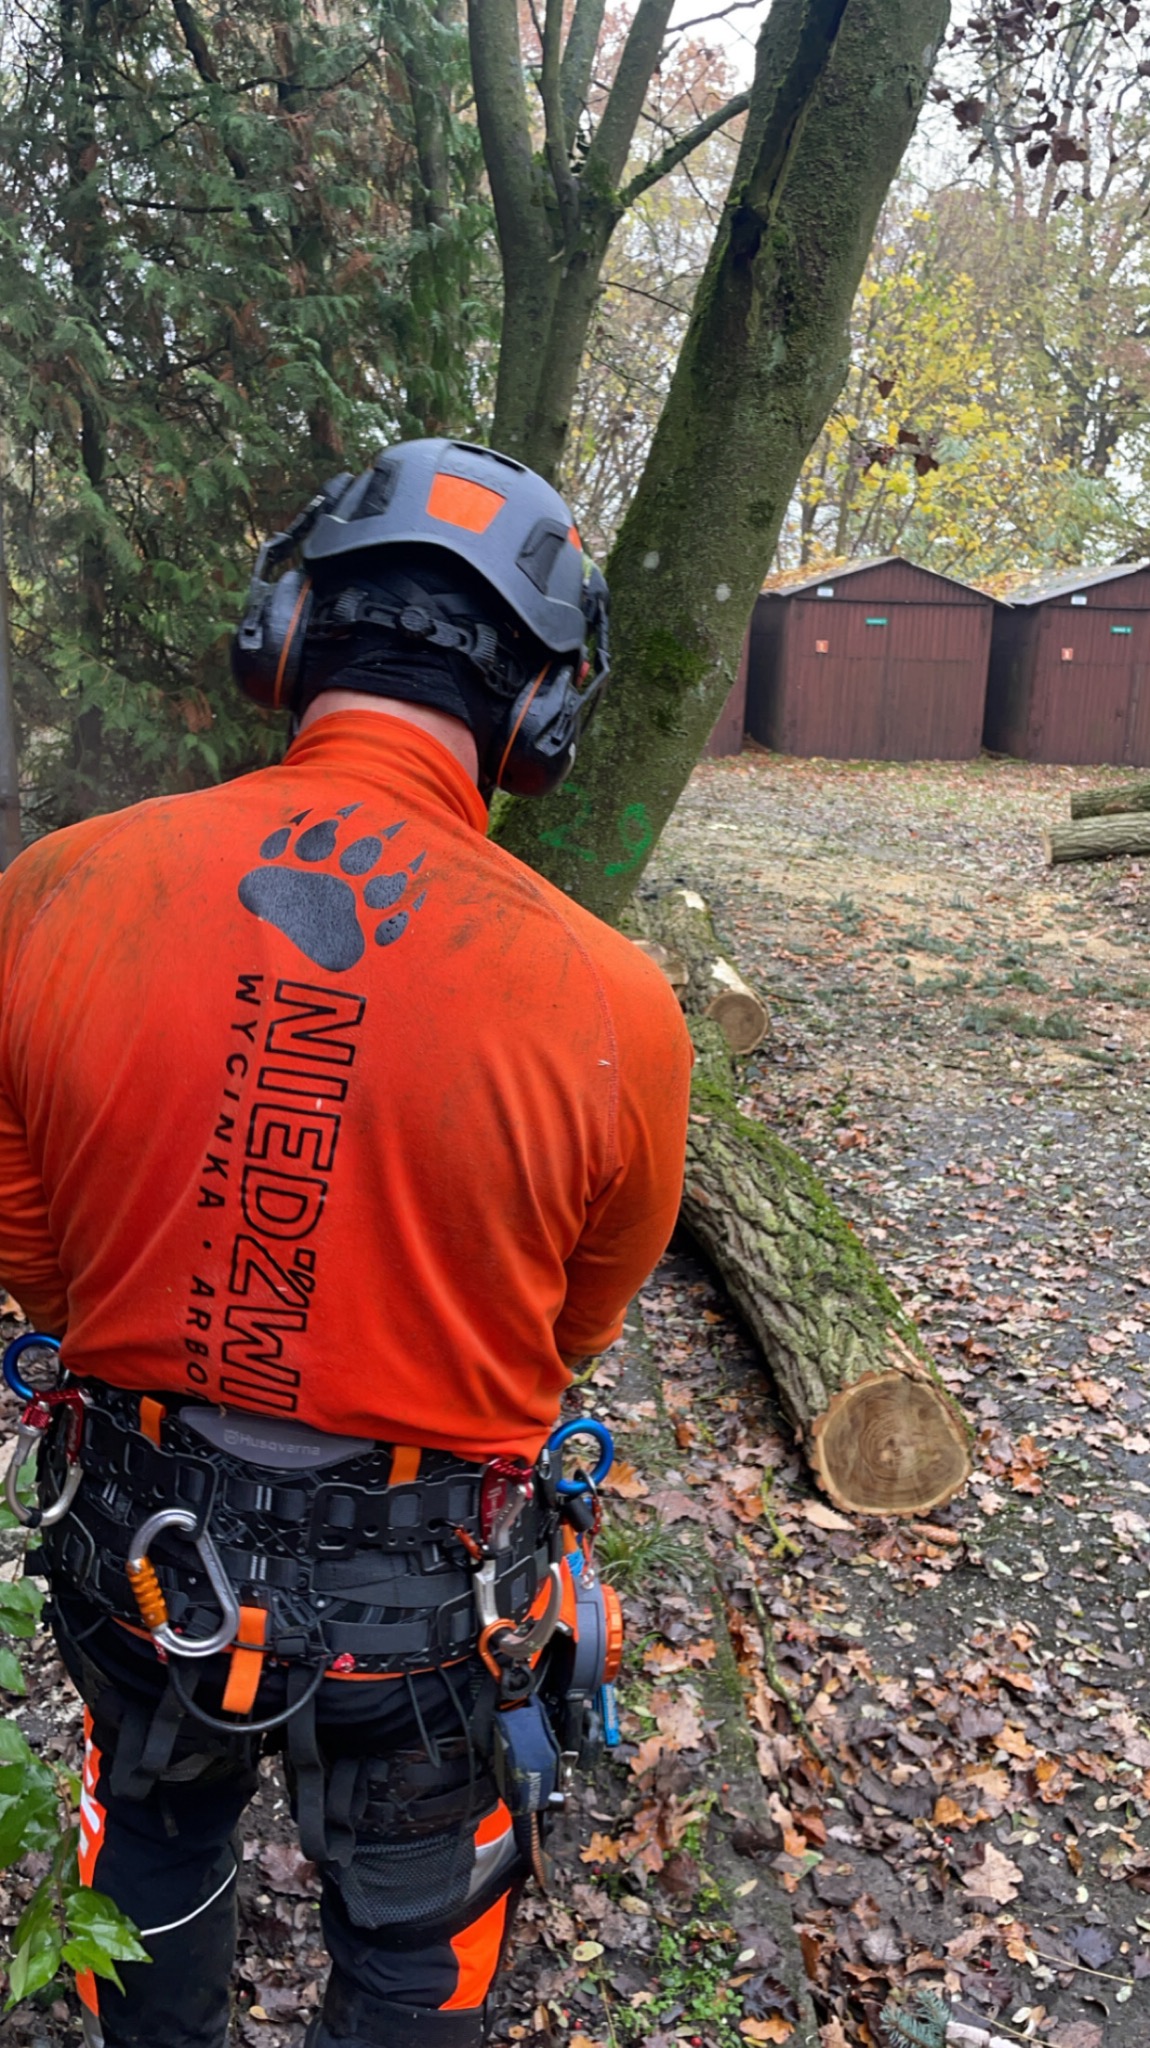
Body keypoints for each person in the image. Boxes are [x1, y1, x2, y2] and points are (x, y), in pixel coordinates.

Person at [0, 438, 692, 2048]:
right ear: (539, 715)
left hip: (137, 1539)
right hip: (423, 1601)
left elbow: (33, 1244)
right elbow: (565, 1318)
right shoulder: (615, 1008)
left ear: (289, 628)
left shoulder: (54, 890)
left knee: (156, 1839)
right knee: (415, 1933)